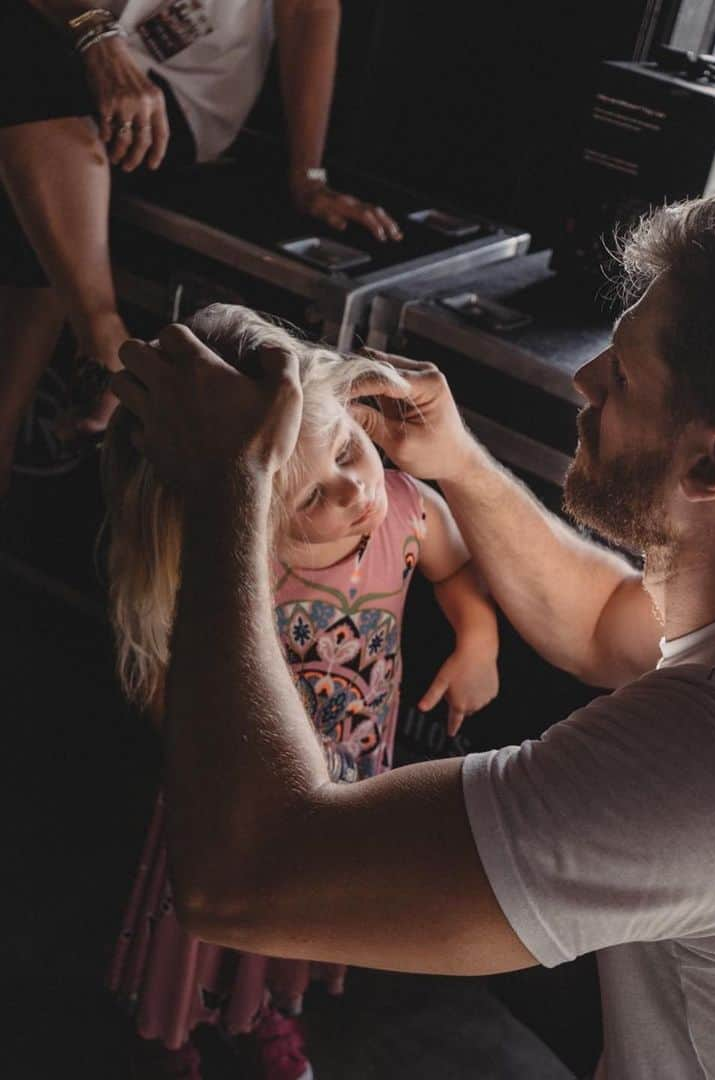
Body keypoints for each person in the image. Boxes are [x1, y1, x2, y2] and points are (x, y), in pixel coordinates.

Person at [113, 195, 715, 1079]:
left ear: (713, 466)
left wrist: (230, 483)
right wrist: (459, 463)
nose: (585, 377)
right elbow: (604, 626)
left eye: (625, 375)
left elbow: (240, 878)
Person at [103, 305, 498, 1079]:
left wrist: (477, 639)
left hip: (345, 781)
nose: (356, 491)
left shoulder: (410, 510)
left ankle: (269, 1016)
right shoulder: (226, 558)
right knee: (211, 917)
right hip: (235, 790)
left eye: (350, 451)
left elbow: (456, 570)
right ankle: (177, 1028)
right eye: (312, 496)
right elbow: (164, 677)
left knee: (305, 912)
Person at [0, 1, 402, 492]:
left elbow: (309, 10)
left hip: (177, 90)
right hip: (66, 38)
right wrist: (96, 36)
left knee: (23, 78)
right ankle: (94, 354)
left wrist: (309, 175)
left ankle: (96, 344)